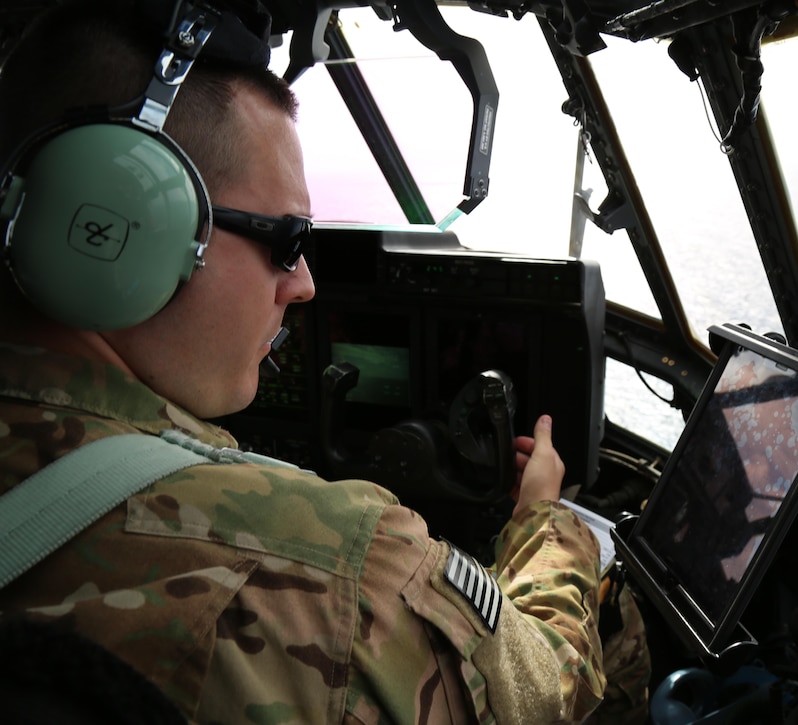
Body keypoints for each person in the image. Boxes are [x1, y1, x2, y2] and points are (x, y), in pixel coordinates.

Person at [0, 0, 606, 721]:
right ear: (127, 223)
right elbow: (544, 687)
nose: (305, 282)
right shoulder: (336, 567)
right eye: (285, 239)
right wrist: (545, 517)